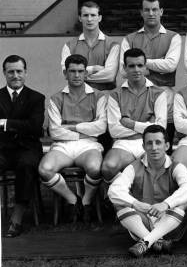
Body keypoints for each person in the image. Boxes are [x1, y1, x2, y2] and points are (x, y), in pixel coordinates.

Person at [108, 125, 187, 257]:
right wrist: (136, 204)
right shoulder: (133, 167)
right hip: (143, 221)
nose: (154, 148)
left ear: (166, 146)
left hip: (169, 222)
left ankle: (146, 242)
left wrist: (165, 204)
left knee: (185, 203)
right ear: (143, 147)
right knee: (119, 203)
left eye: (158, 142)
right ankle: (154, 241)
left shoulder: (177, 166)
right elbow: (114, 190)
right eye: (149, 143)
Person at [39, 54, 107, 223]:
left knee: (95, 168)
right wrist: (86, 130)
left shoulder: (98, 96)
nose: (76, 75)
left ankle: (86, 201)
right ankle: (72, 200)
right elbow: (55, 131)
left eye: (80, 71)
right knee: (45, 169)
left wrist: (72, 127)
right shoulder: (56, 98)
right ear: (65, 73)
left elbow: (101, 128)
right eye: (72, 71)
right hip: (63, 146)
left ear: (86, 74)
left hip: (89, 145)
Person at [120, 0, 181, 146]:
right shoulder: (129, 39)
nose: (151, 13)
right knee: (135, 141)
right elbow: (123, 71)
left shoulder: (174, 37)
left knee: (163, 144)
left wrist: (141, 62)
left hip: (164, 93)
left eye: (155, 9)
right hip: (135, 94)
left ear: (161, 11)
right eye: (147, 10)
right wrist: (156, 66)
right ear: (141, 12)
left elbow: (170, 65)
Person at [101, 48, 167, 183]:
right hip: (123, 144)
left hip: (150, 143)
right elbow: (114, 130)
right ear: (124, 68)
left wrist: (130, 123)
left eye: (140, 65)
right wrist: (148, 125)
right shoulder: (115, 94)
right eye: (131, 66)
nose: (136, 69)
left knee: (154, 167)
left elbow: (160, 128)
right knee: (108, 167)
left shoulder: (158, 92)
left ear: (145, 67)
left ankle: (137, 196)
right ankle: (124, 192)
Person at [0, 55, 44, 237]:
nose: (15, 75)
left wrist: (5, 123)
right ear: (4, 73)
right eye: (11, 72)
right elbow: (27, 125)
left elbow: (35, 127)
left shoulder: (36, 98)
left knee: (26, 166)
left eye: (19, 71)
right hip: (2, 148)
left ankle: (16, 219)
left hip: (28, 148)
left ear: (26, 72)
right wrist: (20, 124)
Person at [60, 1, 120, 91]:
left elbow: (110, 76)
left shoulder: (113, 45)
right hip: (78, 98)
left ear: (99, 18)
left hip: (105, 98)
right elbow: (66, 73)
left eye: (93, 15)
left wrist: (77, 75)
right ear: (80, 18)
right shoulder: (69, 46)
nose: (89, 19)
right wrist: (93, 69)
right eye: (85, 15)